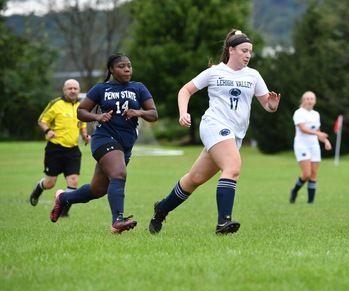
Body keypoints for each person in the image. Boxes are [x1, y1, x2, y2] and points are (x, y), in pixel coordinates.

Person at [148, 29, 281, 235]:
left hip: (234, 134)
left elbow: (267, 105)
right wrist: (183, 113)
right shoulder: (214, 72)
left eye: (250, 52)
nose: (248, 55)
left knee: (195, 179)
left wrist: (272, 104)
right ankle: (223, 223)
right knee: (233, 166)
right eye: (244, 50)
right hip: (214, 125)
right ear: (231, 50)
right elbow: (185, 90)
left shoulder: (253, 75)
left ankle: (161, 209)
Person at [49, 53, 158, 234]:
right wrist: (98, 116)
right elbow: (82, 111)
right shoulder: (101, 89)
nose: (126, 69)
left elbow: (153, 114)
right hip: (104, 139)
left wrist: (139, 112)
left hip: (125, 145)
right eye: (121, 66)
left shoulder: (139, 87)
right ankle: (117, 221)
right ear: (111, 70)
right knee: (119, 174)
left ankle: (64, 198)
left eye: (129, 66)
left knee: (97, 190)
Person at [29, 79, 90, 218]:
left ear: (79, 90)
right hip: (55, 149)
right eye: (70, 88)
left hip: (73, 150)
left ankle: (63, 212)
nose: (73, 91)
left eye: (75, 88)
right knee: (50, 183)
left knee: (73, 181)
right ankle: (38, 189)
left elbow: (82, 124)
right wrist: (47, 131)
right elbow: (42, 120)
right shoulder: (56, 104)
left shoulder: (80, 107)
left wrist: (85, 136)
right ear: (64, 90)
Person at [289, 91, 332, 204]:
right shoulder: (298, 113)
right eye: (307, 98)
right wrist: (318, 134)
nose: (309, 101)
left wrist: (325, 140)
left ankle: (310, 202)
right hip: (301, 145)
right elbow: (303, 129)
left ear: (315, 101)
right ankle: (294, 190)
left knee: (313, 174)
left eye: (312, 98)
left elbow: (317, 131)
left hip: (314, 145)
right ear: (303, 100)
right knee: (306, 174)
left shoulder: (316, 114)